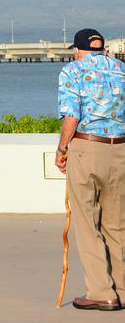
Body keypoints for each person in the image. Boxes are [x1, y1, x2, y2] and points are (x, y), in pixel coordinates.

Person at [56, 28, 125, 310]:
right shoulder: (122, 68)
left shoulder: (71, 71)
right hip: (120, 149)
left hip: (87, 147)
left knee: (86, 223)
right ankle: (122, 288)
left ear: (77, 49)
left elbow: (71, 116)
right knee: (117, 224)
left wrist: (62, 150)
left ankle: (101, 292)